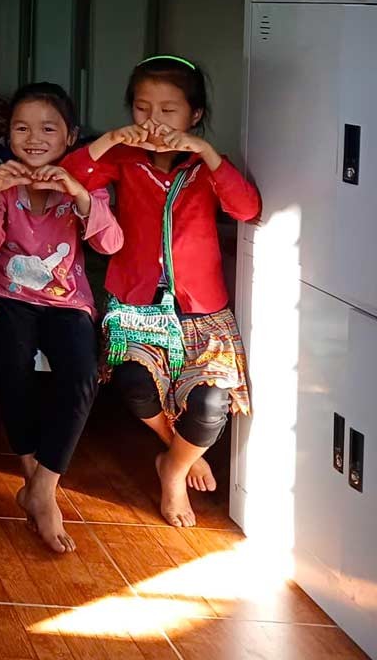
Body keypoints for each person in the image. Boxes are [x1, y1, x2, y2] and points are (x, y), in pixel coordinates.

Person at [64, 55, 261, 528]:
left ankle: (172, 468)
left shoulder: (207, 166)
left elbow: (245, 207)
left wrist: (207, 152)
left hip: (202, 311)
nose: (153, 121)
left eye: (168, 110)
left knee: (213, 402)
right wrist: (110, 138)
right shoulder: (123, 160)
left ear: (194, 115)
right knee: (134, 383)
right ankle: (184, 454)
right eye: (142, 107)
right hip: (135, 304)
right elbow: (71, 177)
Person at [0, 83, 123, 553]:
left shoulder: (86, 186)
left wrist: (80, 194)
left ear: (70, 136)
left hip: (67, 301)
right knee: (10, 362)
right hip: (9, 293)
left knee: (82, 373)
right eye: (22, 127)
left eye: (48, 128)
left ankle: (44, 487)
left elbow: (110, 244)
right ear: (8, 134)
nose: (34, 138)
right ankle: (33, 482)